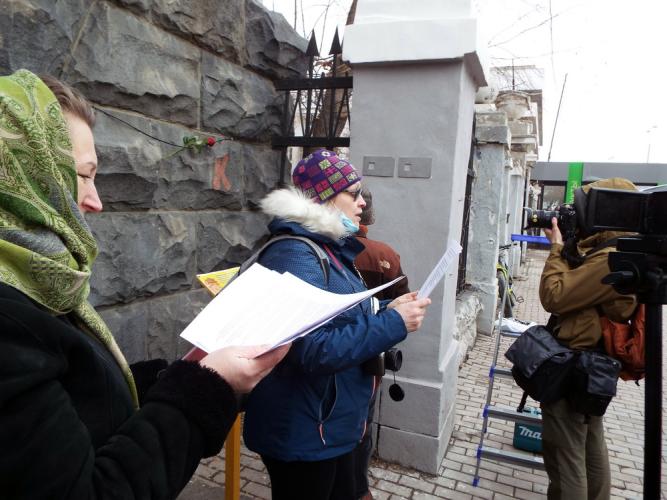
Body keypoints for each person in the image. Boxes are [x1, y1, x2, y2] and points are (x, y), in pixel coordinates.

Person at [0, 69, 289, 499]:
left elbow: (77, 406)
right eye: (82, 175)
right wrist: (209, 385)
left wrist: (187, 375)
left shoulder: (38, 281)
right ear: (25, 174)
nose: (95, 201)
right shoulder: (8, 316)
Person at [242, 149, 431, 500]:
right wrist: (393, 324)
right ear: (324, 197)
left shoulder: (329, 249)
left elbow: (342, 314)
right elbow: (311, 350)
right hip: (303, 432)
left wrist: (389, 307)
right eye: (354, 193)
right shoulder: (296, 254)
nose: (363, 202)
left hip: (329, 425)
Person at [539, 177, 638, 500]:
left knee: (566, 457)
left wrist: (556, 249)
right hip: (592, 366)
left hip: (576, 365)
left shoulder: (610, 257)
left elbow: (555, 296)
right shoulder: (618, 249)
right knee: (590, 446)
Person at [353, 187, 410, 500]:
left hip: (328, 355)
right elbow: (403, 302)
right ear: (370, 216)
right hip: (370, 357)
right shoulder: (385, 254)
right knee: (362, 425)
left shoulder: (321, 251)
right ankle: (359, 487)